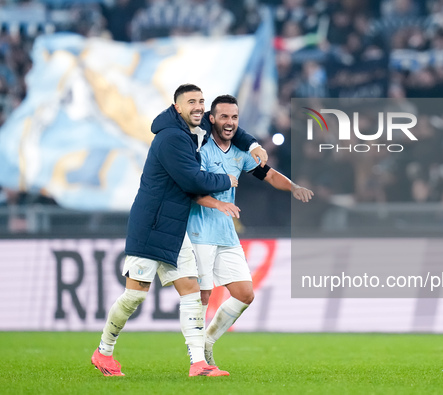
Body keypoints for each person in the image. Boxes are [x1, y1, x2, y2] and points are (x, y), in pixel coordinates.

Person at [91, 84, 268, 378]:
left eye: (201, 101)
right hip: (151, 227)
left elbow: (229, 127)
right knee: (134, 296)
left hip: (175, 227)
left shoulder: (187, 134)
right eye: (191, 102)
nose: (198, 106)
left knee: (191, 291)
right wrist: (225, 180)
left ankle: (198, 363)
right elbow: (190, 180)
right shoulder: (172, 138)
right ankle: (104, 351)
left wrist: (251, 144)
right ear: (177, 107)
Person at [186, 95, 313, 368]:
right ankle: (197, 359)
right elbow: (191, 190)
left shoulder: (240, 153)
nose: (229, 122)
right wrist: (219, 203)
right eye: (224, 117)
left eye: (234, 117)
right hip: (199, 230)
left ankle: (207, 342)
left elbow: (268, 174)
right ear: (212, 119)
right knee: (203, 295)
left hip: (226, 233)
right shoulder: (200, 149)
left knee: (245, 294)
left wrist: (293, 187)